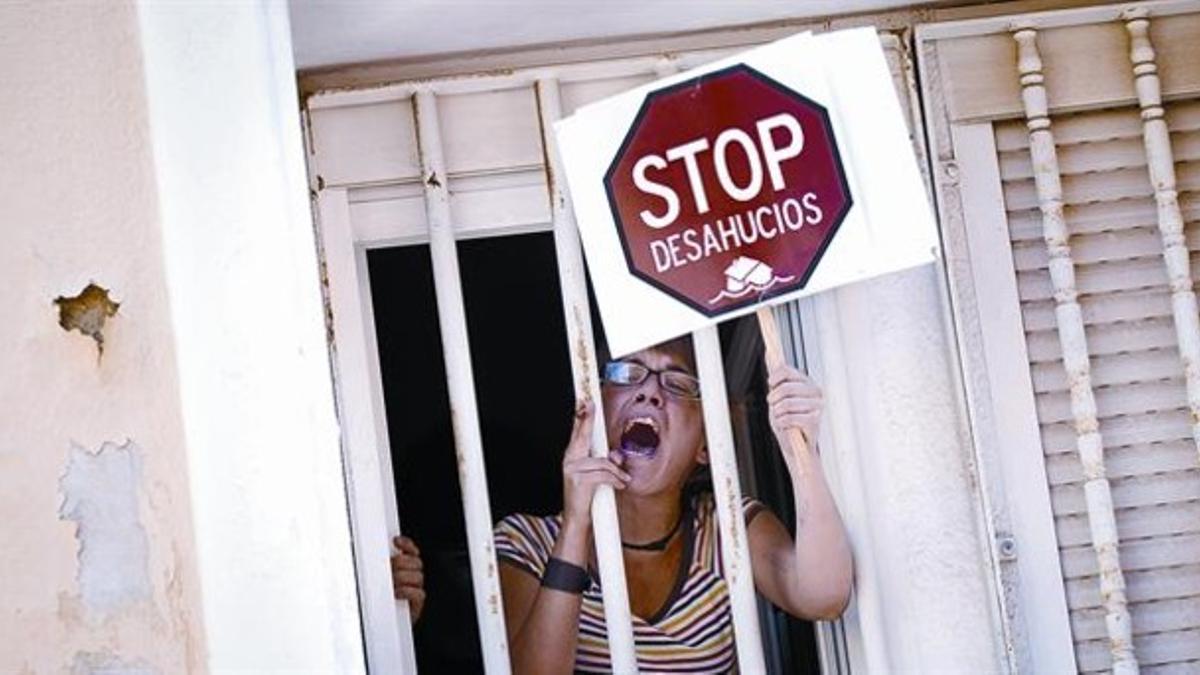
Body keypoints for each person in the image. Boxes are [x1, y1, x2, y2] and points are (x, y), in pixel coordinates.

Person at [490, 336, 853, 673]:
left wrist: (800, 452)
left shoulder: (726, 528)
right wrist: (575, 525)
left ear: (706, 445)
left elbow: (824, 596)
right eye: (627, 373)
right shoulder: (527, 542)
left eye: (678, 384)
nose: (649, 391)